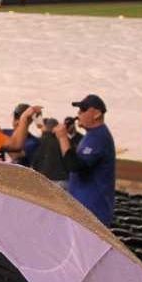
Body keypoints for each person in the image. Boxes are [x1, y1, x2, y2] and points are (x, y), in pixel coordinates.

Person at [55, 95, 115, 226]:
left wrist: (62, 138)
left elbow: (75, 165)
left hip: (92, 213)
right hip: (83, 211)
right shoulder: (92, 135)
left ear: (97, 114)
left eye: (83, 109)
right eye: (79, 110)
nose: (78, 114)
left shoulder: (99, 137)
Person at [29, 118, 69, 187]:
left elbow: (35, 160)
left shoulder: (39, 141)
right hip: (63, 179)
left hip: (45, 179)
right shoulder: (64, 141)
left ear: (45, 127)